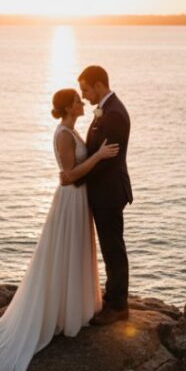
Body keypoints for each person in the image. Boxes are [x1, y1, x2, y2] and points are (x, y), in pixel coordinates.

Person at [0, 88, 119, 371]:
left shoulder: (72, 131)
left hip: (78, 201)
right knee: (64, 253)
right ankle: (61, 310)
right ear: (69, 106)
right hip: (69, 201)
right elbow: (68, 175)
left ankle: (71, 307)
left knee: (74, 253)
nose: (82, 103)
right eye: (78, 100)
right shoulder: (64, 135)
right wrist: (100, 157)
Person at [61, 65, 132, 326]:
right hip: (103, 190)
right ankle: (113, 295)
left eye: (85, 89)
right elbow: (96, 153)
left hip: (110, 191)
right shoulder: (107, 110)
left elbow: (107, 160)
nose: (84, 95)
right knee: (109, 246)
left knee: (113, 248)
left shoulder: (114, 114)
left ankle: (118, 306)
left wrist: (76, 176)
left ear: (99, 85)